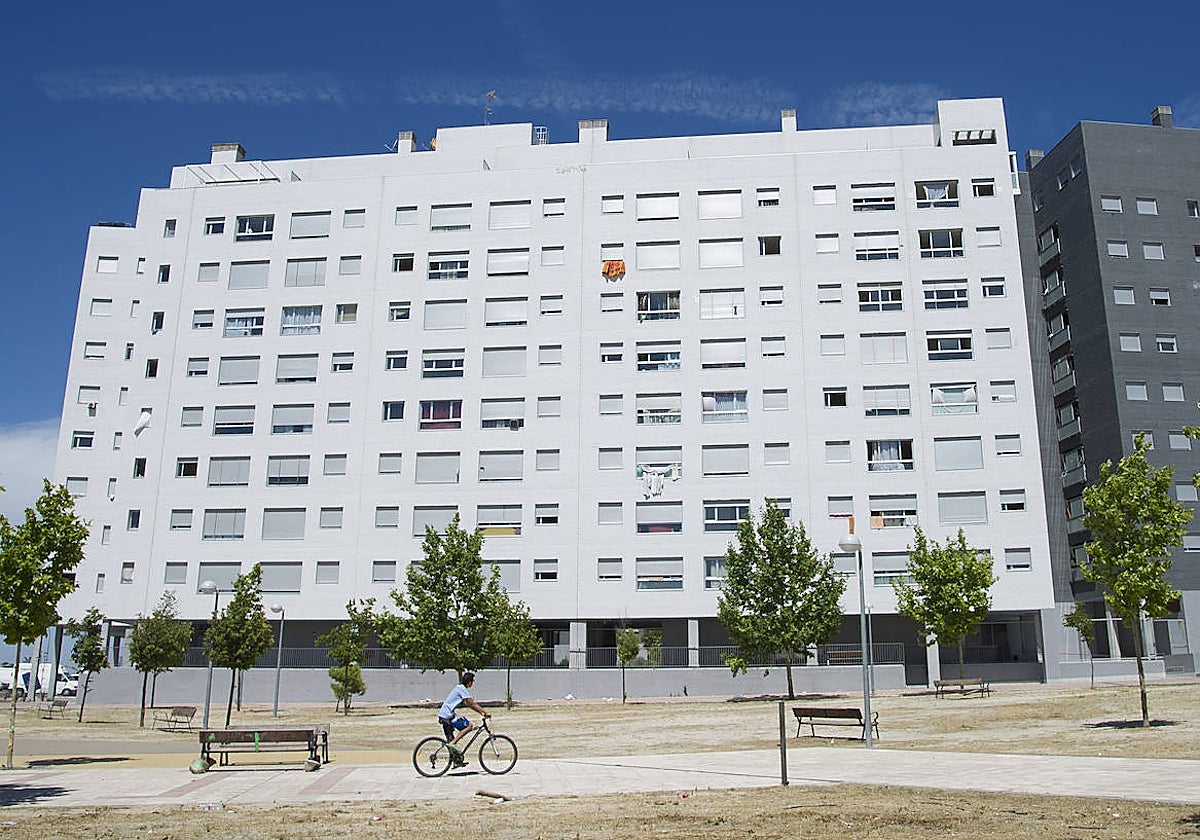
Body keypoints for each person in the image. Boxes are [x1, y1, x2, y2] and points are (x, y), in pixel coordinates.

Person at [437, 672, 490, 766]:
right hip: (448, 716)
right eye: (472, 681)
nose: (472, 683)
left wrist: (480, 711)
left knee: (450, 739)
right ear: (469, 682)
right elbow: (472, 703)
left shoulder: (459, 688)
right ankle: (453, 743)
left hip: (444, 715)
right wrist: (484, 712)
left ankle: (456, 761)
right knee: (469, 725)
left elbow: (468, 704)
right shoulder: (462, 689)